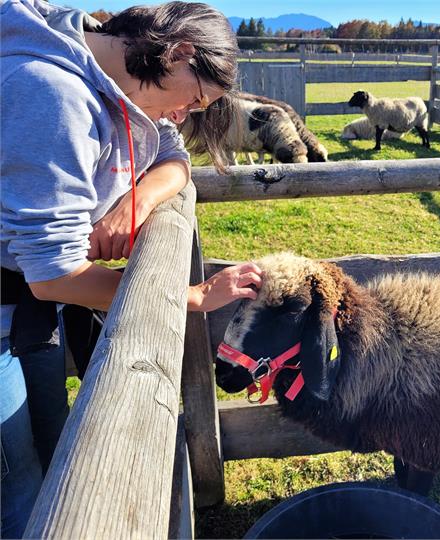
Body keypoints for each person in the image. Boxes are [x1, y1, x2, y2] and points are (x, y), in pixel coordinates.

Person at [1, 1, 260, 536]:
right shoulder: (53, 94)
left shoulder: (124, 87)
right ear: (179, 54)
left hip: (28, 311)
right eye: (196, 99)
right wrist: (188, 296)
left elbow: (174, 158)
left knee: (49, 441)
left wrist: (133, 202)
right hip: (23, 296)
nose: (185, 115)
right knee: (15, 482)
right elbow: (54, 274)